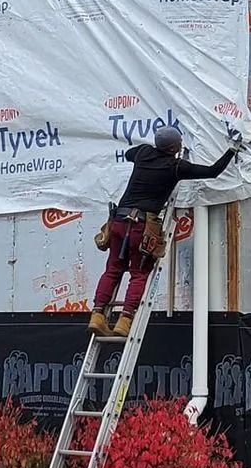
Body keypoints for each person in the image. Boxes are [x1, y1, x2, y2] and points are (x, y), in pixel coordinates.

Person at [90, 124, 242, 337]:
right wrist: (232, 149)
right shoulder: (176, 166)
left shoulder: (143, 152)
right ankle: (125, 320)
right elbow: (212, 172)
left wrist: (151, 152)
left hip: (118, 221)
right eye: (179, 143)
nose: (181, 145)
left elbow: (128, 153)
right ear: (173, 148)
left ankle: (97, 315)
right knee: (139, 273)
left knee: (113, 269)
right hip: (141, 226)